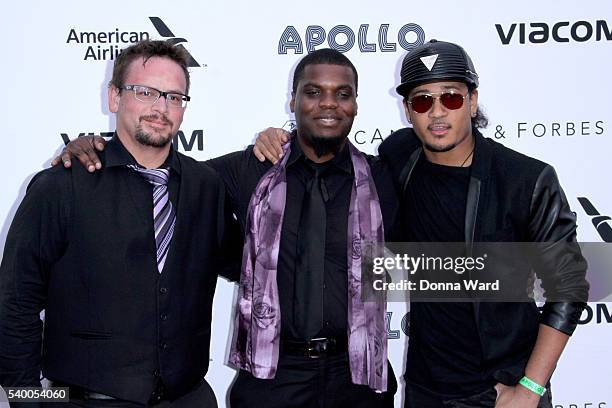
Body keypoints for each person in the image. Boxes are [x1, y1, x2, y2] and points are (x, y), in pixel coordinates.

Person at [47, 49, 399, 407]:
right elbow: (155, 171)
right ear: (292, 100)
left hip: (359, 379)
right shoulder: (246, 170)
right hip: (272, 380)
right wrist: (97, 151)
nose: (329, 104)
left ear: (356, 104)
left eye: (343, 94)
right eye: (313, 92)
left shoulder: (383, 177)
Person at [253, 40, 589, 408]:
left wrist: (531, 388)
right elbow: (329, 156)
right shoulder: (399, 158)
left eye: (452, 98)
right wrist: (280, 140)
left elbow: (569, 287)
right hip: (425, 389)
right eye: (423, 101)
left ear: (473, 101)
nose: (438, 113)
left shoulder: (524, 179)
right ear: (409, 111)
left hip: (501, 390)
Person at [0, 40, 240, 407]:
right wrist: (26, 401)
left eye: (174, 97)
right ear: (114, 97)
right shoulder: (61, 187)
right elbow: (14, 304)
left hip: (189, 398)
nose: (161, 107)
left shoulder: (205, 187)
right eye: (145, 92)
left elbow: (255, 264)